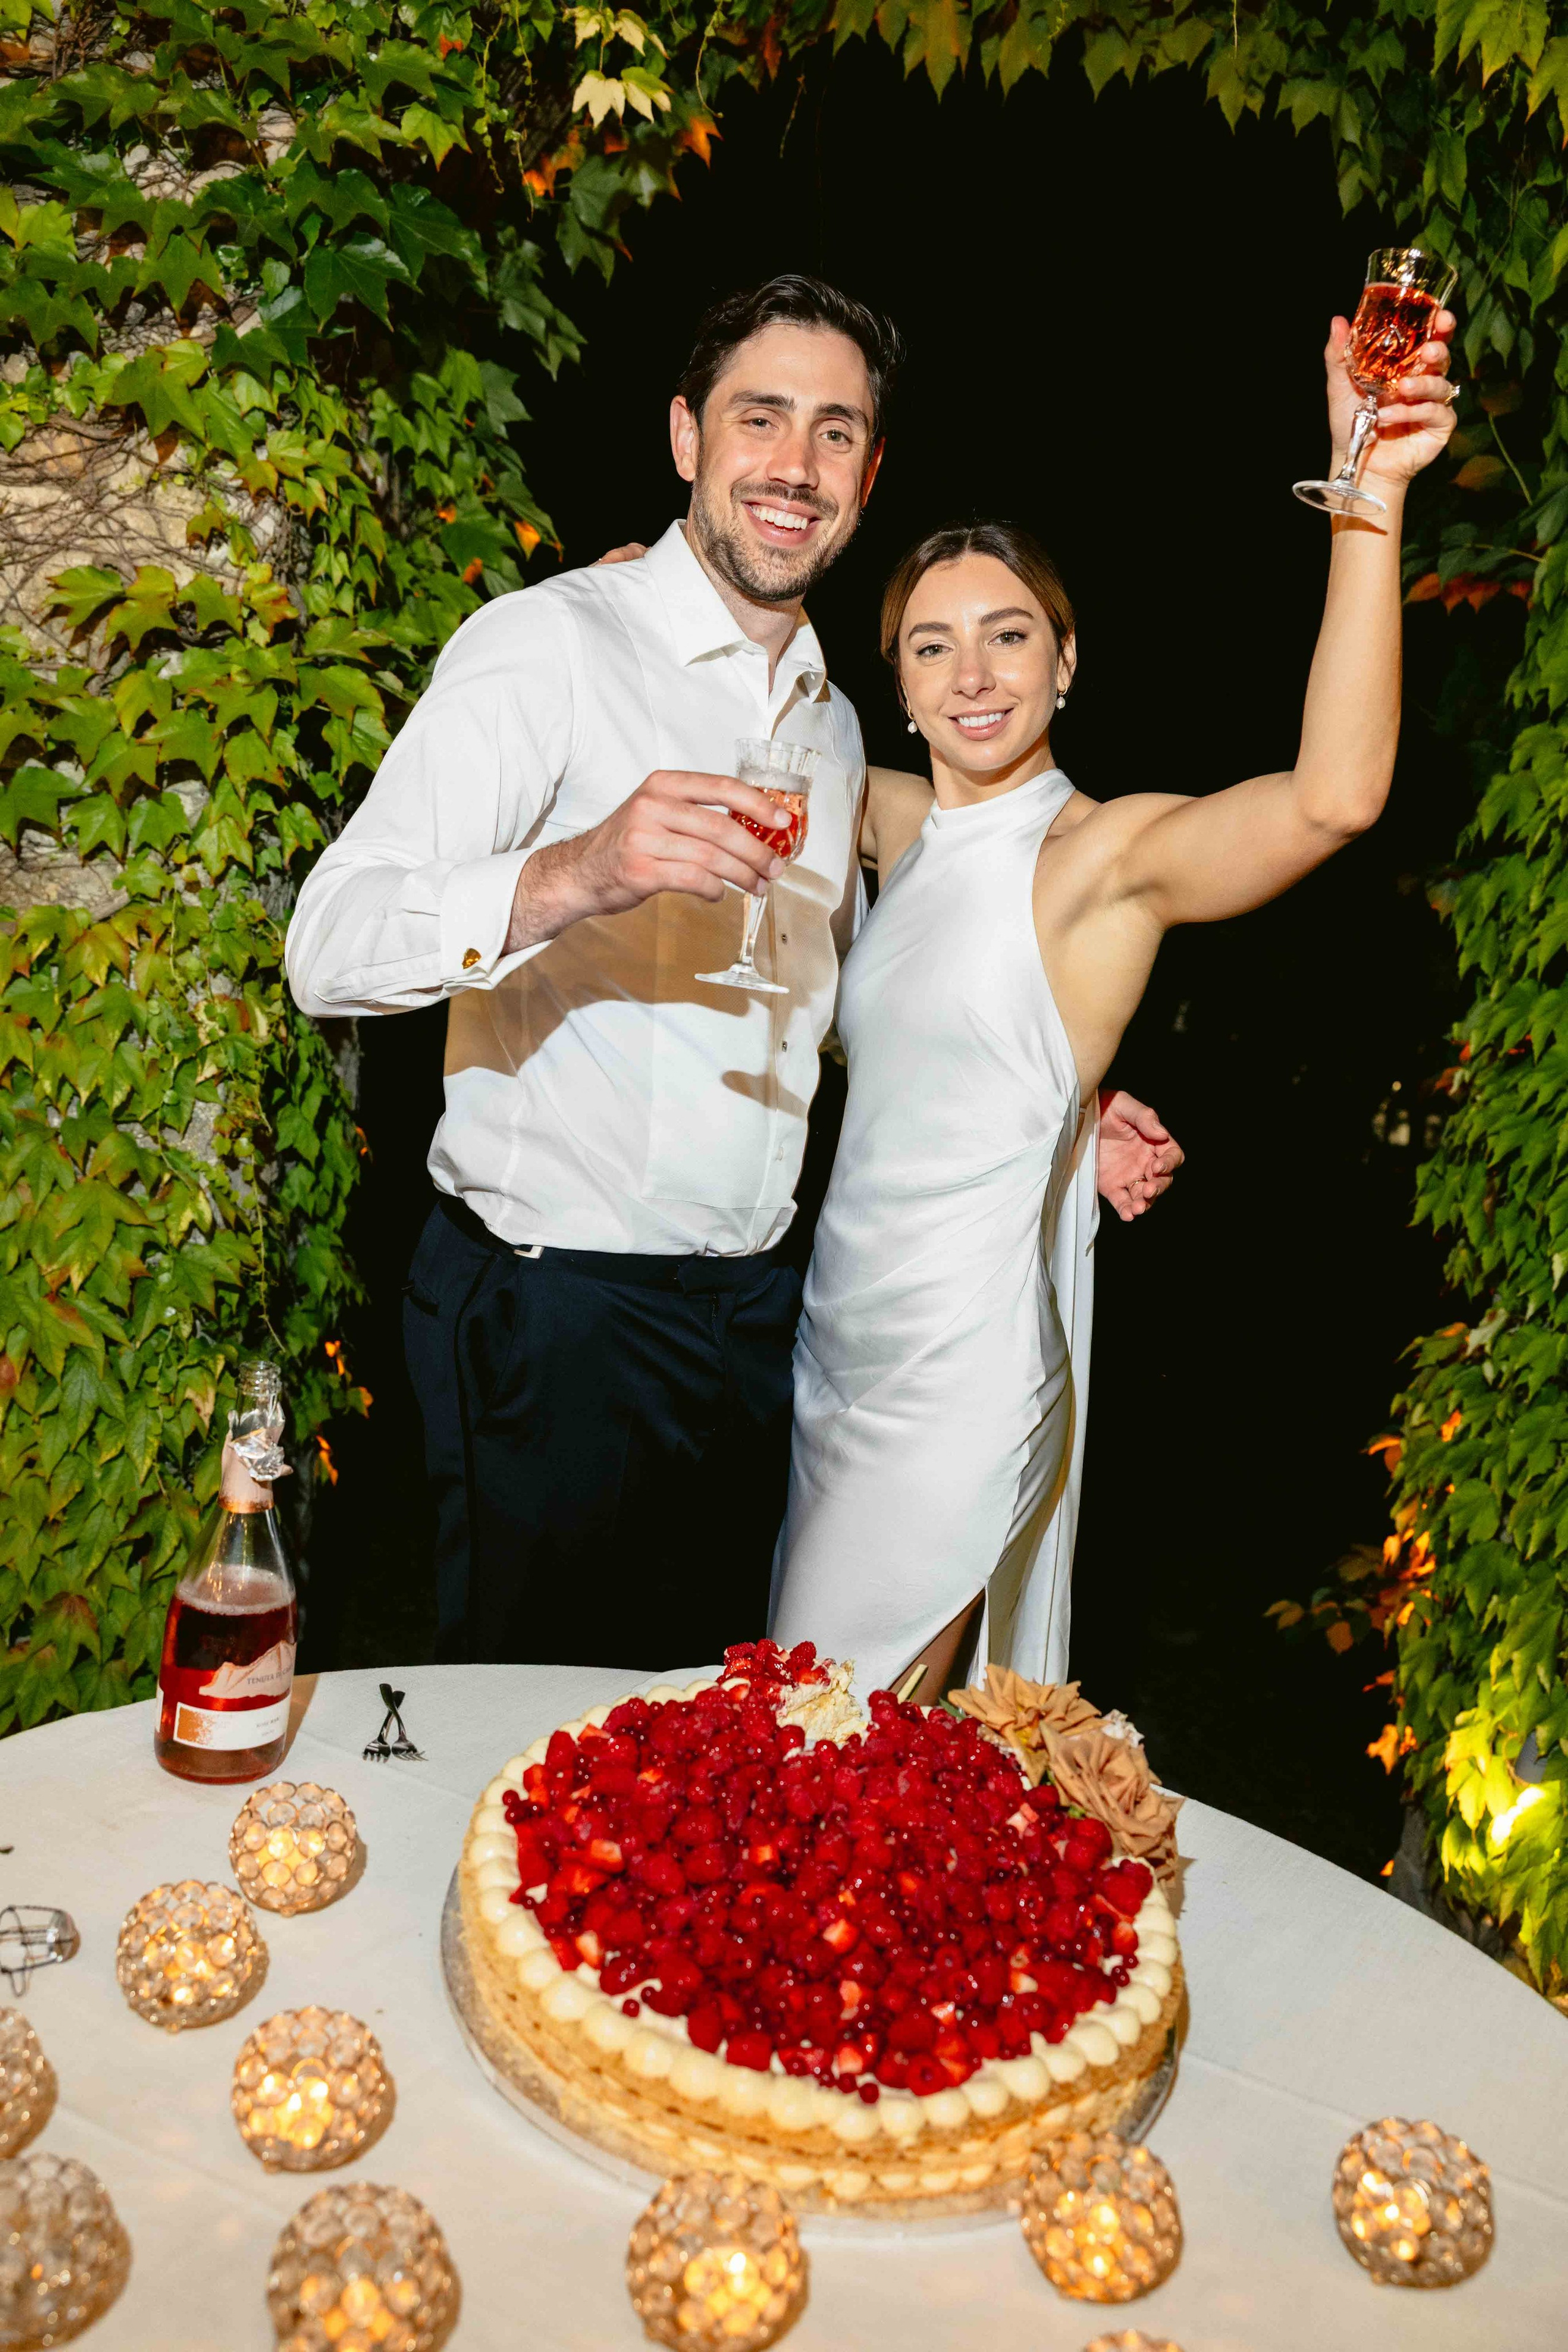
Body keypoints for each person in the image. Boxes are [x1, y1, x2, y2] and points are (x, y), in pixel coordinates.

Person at [284, 275, 1178, 1673]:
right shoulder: (549, 649)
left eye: (835, 433)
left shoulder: (824, 724)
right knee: (531, 1761)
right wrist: (579, 868)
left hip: (761, 1326)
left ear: (868, 477)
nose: (794, 465)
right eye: (761, 419)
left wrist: (1050, 1097)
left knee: (706, 1776)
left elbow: (823, 1008)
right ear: (687, 439)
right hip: (554, 1314)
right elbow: (327, 945)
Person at [769, 305, 1458, 1702]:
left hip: (955, 1382)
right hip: (833, 1345)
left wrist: (1364, 499)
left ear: (1064, 662)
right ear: (892, 684)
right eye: (931, 646)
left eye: (1008, 637)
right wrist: (636, 594)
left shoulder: (1104, 859)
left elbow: (1335, 797)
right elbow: (722, 728)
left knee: (829, 1747)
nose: (972, 676)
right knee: (832, 1755)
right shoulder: (888, 821)